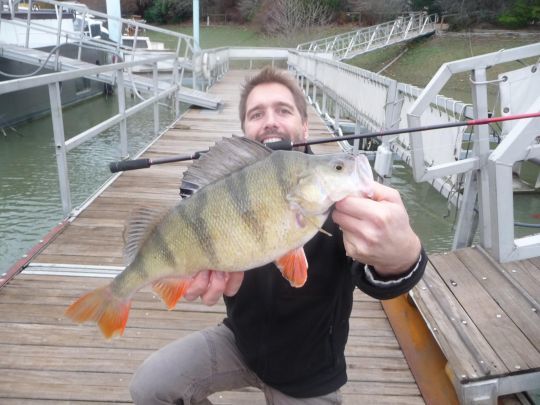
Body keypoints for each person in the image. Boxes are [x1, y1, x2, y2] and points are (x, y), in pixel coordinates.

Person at [129, 67, 427, 404]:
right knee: (149, 386)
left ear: (304, 126)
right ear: (244, 131)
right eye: (257, 114)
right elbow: (195, 219)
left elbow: (376, 274)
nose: (270, 120)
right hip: (240, 343)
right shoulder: (230, 188)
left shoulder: (342, 201)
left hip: (309, 374)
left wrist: (403, 255)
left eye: (283, 110)